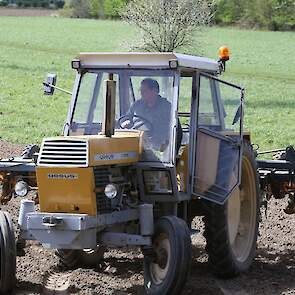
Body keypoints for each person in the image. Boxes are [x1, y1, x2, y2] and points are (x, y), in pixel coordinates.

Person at [127, 78, 172, 150]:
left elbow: (175, 131)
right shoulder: (136, 106)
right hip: (136, 145)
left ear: (155, 91)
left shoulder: (167, 107)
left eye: (144, 91)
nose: (141, 93)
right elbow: (126, 120)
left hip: (159, 147)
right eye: (140, 91)